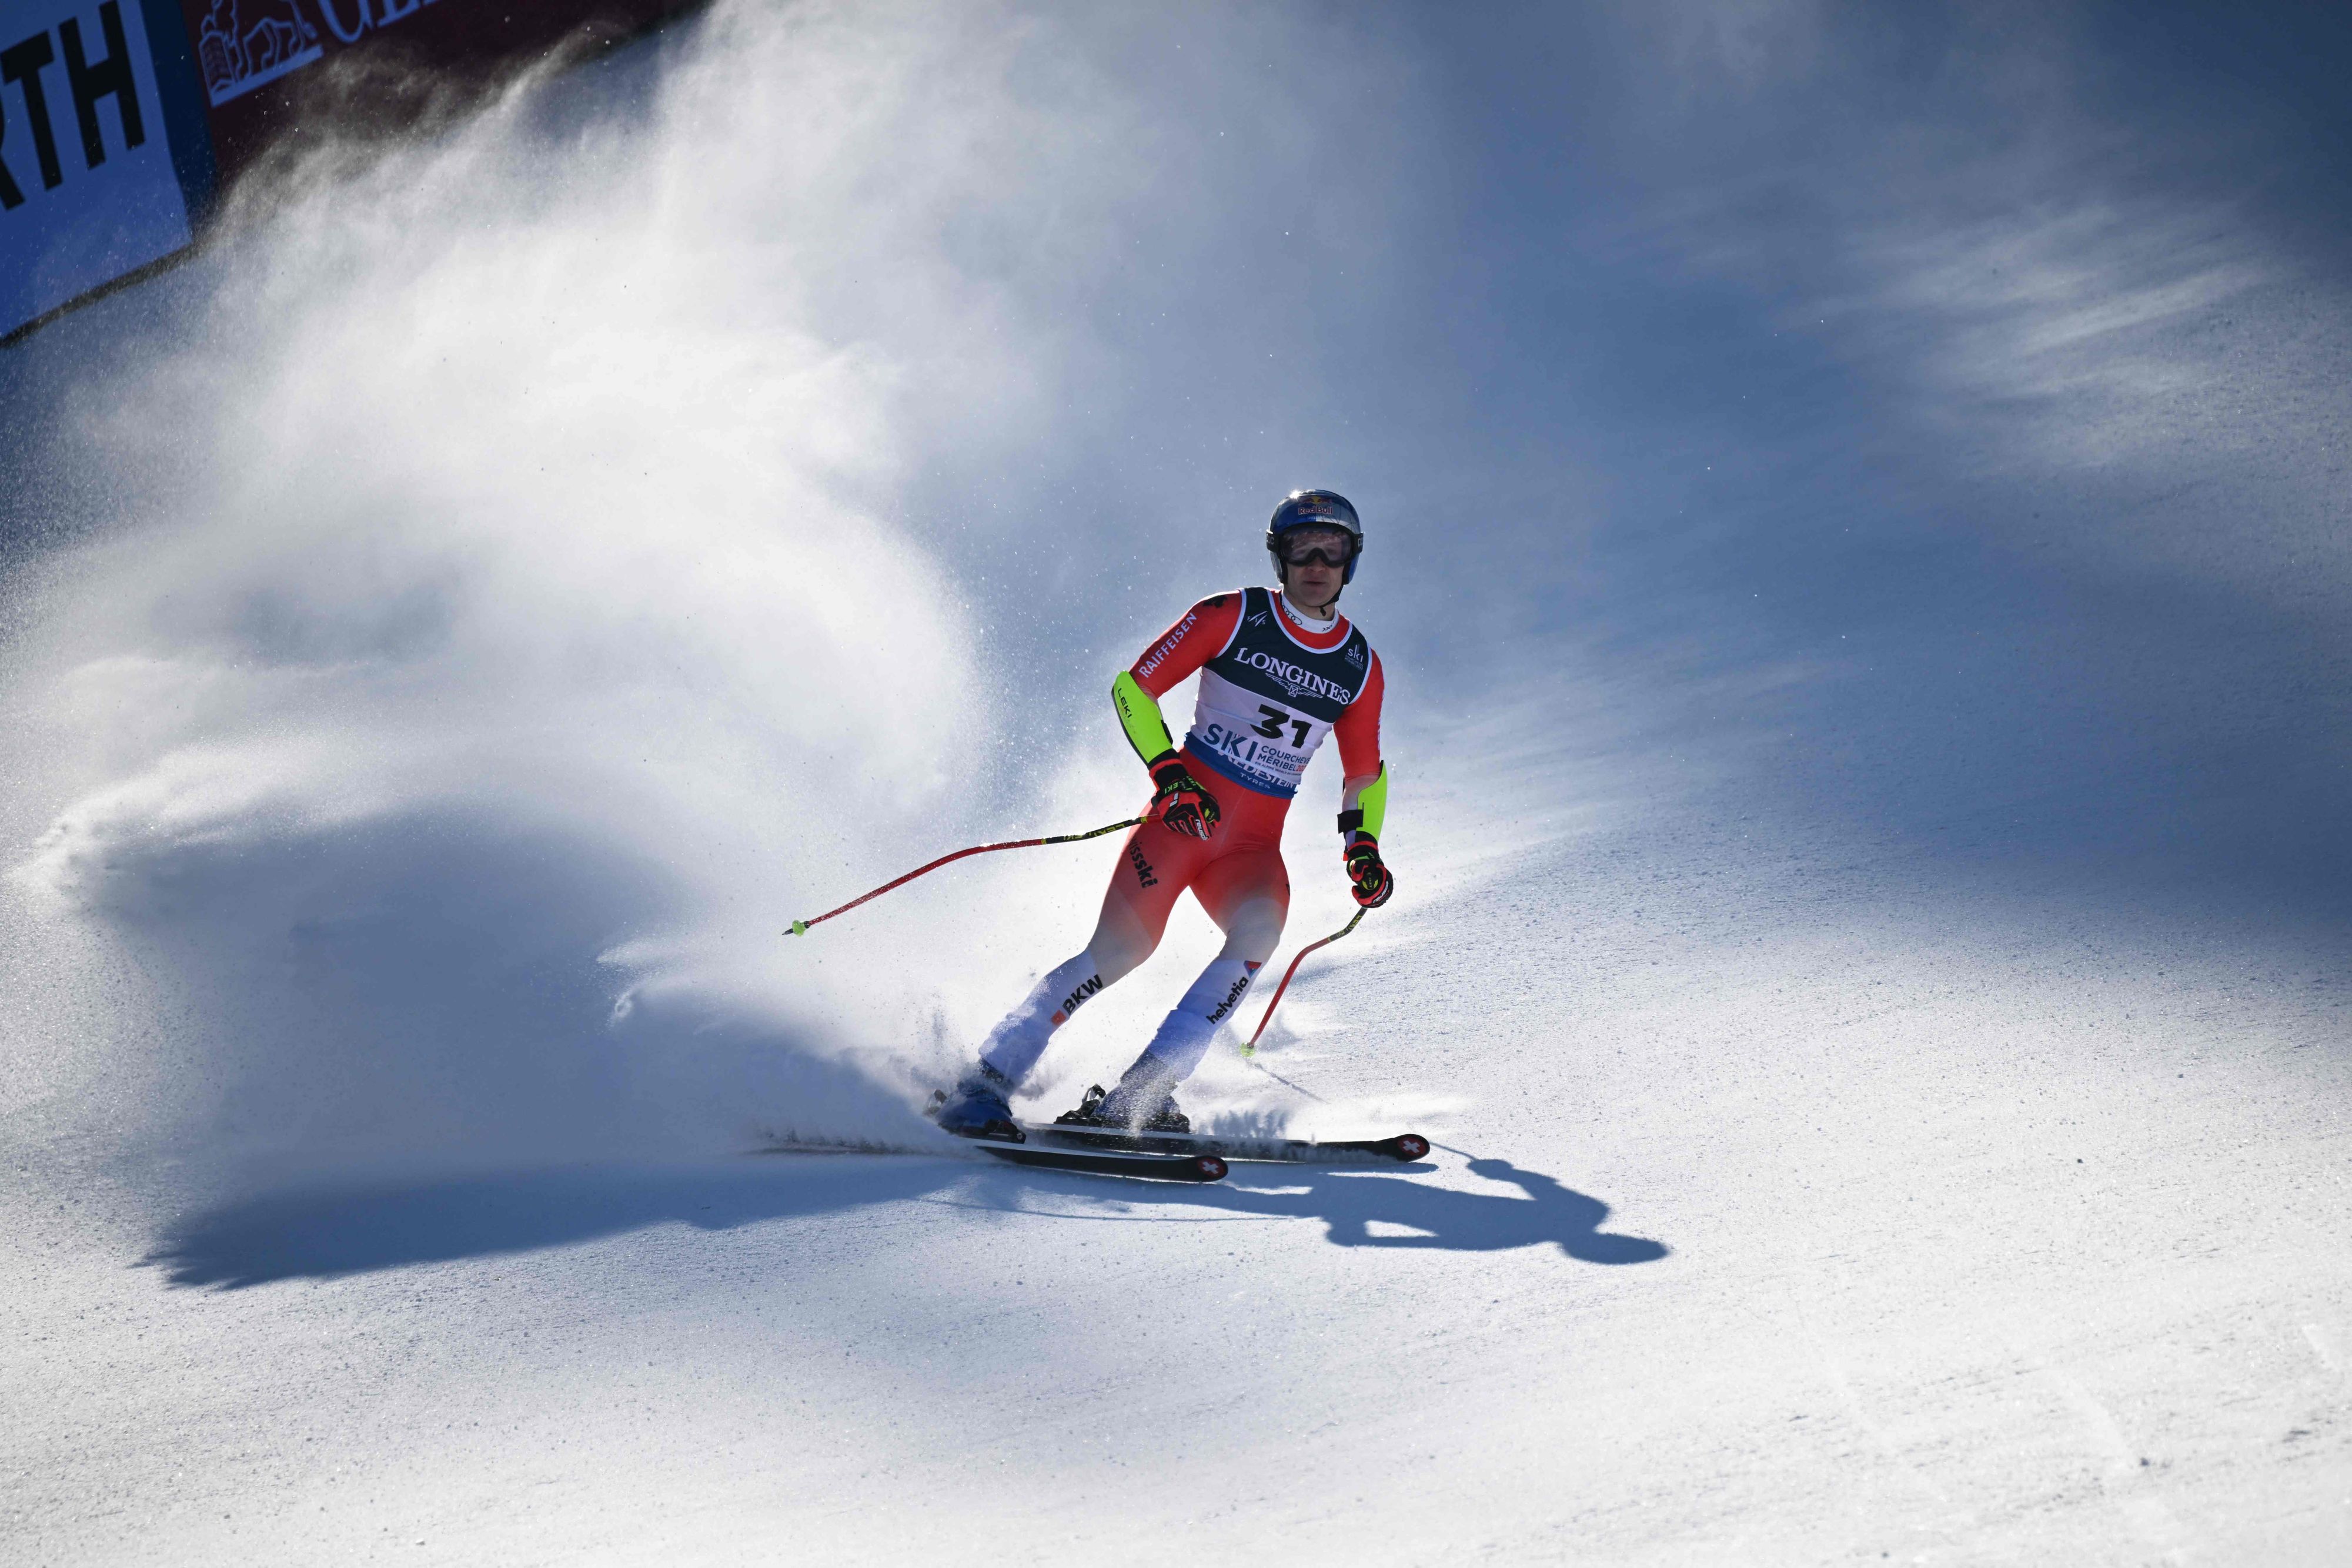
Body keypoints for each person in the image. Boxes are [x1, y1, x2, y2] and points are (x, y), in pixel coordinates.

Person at [934, 489, 1394, 1139]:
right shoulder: (1232, 615)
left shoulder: (1359, 666)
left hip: (1251, 851)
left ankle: (1141, 1097)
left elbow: (1363, 774)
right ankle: (980, 1086)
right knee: (1118, 953)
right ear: (1278, 556)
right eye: (1300, 548)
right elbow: (1133, 688)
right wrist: (1168, 773)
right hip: (1185, 823)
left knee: (1257, 936)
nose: (1316, 562)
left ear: (1352, 561)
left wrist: (1363, 848)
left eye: (1333, 549)